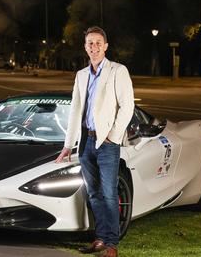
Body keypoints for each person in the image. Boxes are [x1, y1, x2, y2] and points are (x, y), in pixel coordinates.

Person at [55, 26, 134, 257]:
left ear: (106, 46)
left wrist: (113, 135)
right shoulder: (81, 75)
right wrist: (68, 144)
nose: (94, 47)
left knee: (109, 193)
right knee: (94, 194)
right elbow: (75, 111)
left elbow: (127, 106)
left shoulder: (118, 71)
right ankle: (100, 238)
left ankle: (111, 245)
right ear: (85, 47)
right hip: (86, 142)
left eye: (98, 43)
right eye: (90, 43)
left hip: (107, 143)